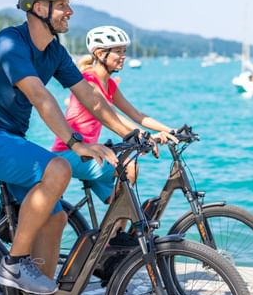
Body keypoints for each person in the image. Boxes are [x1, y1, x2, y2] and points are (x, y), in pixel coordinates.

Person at [0, 0, 137, 295]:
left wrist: (129, 135)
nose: (70, 11)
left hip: (9, 139)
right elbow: (40, 97)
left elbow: (91, 97)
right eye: (63, 5)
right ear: (40, 8)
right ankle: (14, 262)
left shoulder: (54, 51)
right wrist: (75, 142)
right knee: (59, 166)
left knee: (54, 217)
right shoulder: (10, 42)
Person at [51, 25, 177, 206]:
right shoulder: (88, 80)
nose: (123, 56)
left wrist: (170, 130)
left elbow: (137, 114)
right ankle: (119, 232)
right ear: (101, 53)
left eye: (124, 51)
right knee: (128, 167)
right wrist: (144, 135)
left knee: (124, 203)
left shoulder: (109, 84)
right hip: (70, 152)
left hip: (92, 152)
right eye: (118, 51)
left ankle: (114, 234)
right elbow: (112, 116)